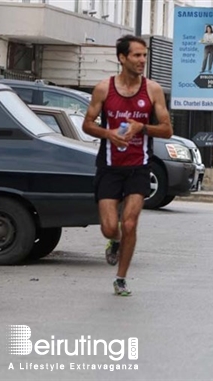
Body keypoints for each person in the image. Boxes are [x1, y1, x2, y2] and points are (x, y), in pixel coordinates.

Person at [82, 35, 173, 296]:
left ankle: (121, 278)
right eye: (136, 55)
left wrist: (141, 127)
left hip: (139, 166)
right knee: (110, 227)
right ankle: (115, 240)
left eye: (144, 55)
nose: (142, 60)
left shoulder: (152, 90)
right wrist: (109, 134)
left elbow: (167, 130)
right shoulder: (103, 88)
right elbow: (87, 124)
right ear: (122, 58)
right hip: (110, 166)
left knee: (130, 223)